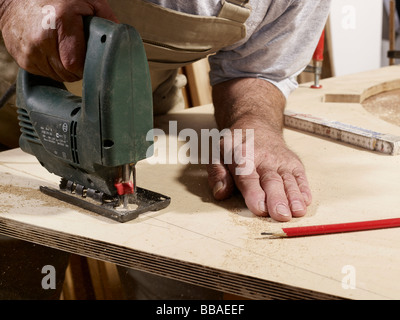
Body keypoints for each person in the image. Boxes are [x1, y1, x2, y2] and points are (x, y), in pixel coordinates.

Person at [0, 0, 331, 299]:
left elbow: (254, 68)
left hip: (139, 100)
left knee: (181, 282)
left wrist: (253, 122)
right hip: (10, 90)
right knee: (16, 272)